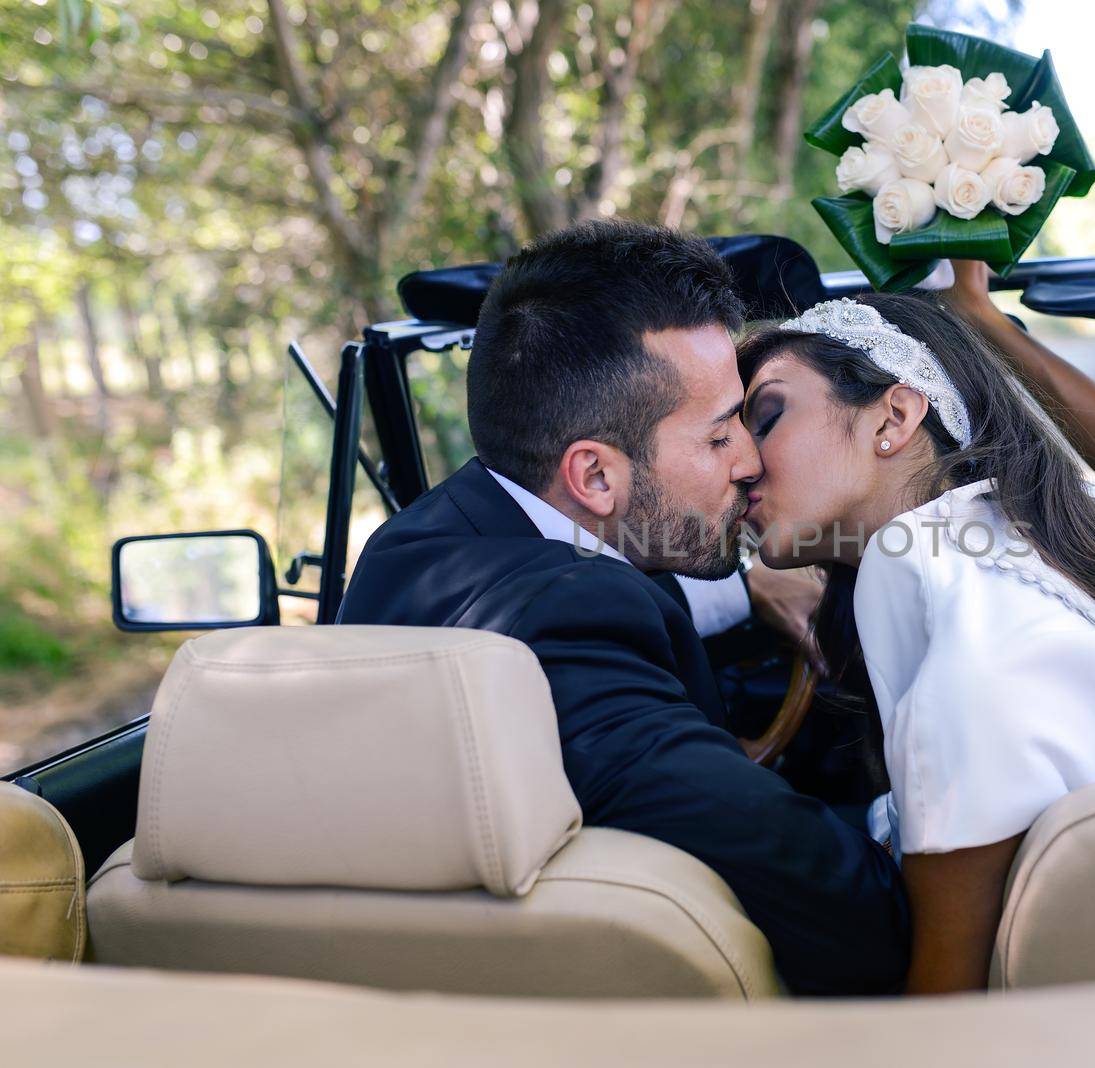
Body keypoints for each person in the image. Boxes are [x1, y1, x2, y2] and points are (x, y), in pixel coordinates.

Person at [336, 220, 910, 996]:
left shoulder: (422, 541)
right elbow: (829, 901)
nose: (750, 461)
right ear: (595, 478)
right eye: (719, 438)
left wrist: (744, 589)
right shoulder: (561, 630)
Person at [736, 260, 1095, 994]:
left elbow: (947, 1014)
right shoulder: (1070, 536)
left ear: (894, 416)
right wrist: (978, 317)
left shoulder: (972, 664)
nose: (738, 466)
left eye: (766, 418)